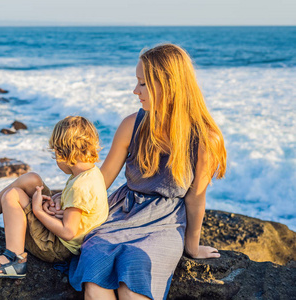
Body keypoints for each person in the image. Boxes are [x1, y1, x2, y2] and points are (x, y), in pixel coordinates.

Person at [44, 44, 227, 299]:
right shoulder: (133, 124)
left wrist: (192, 247)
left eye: (143, 84)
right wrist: (66, 202)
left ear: (169, 86)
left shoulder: (205, 140)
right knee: (95, 279)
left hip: (165, 223)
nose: (135, 91)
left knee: (133, 281)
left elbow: (195, 198)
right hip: (121, 213)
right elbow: (100, 180)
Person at [0, 116, 108, 279]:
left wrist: (38, 210)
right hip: (63, 234)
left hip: (56, 247)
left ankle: (14, 259)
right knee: (32, 179)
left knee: (12, 196)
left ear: (61, 153)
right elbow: (80, 205)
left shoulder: (79, 187)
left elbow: (68, 232)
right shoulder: (90, 174)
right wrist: (59, 199)